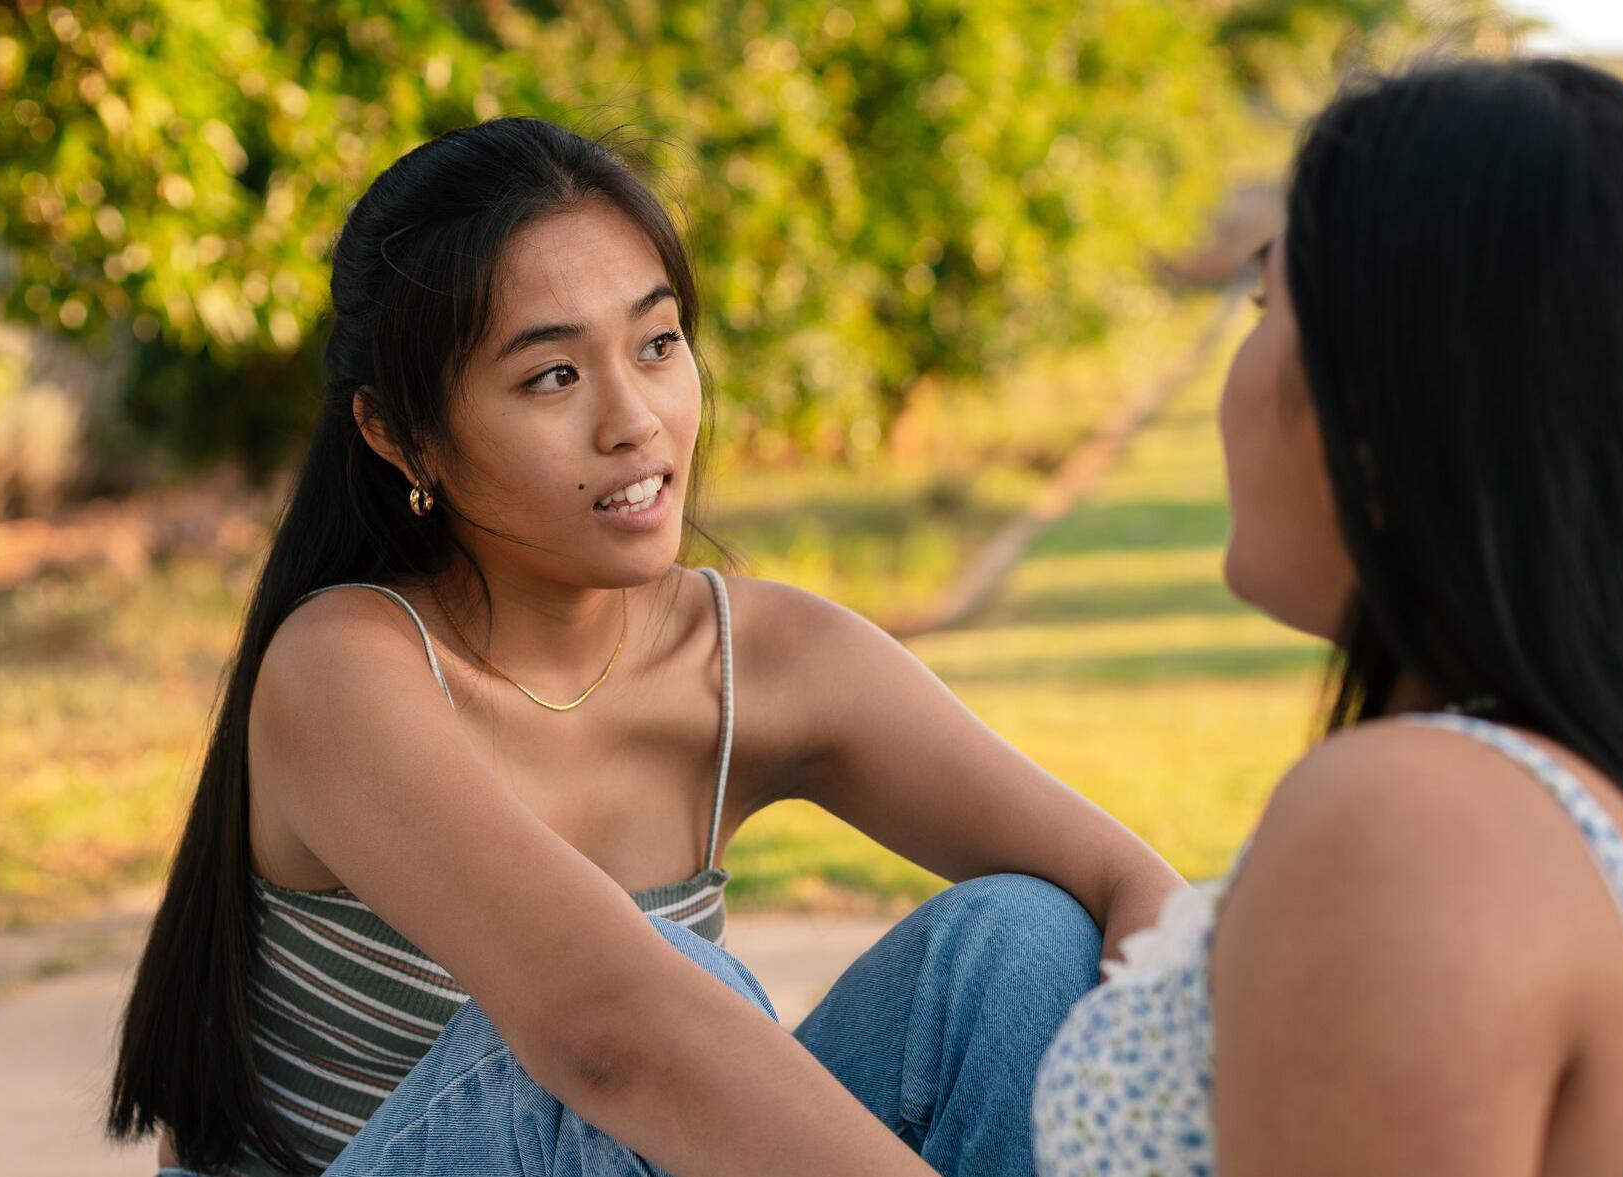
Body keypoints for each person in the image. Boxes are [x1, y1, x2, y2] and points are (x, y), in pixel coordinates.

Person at [103, 117, 1187, 1177]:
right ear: (400, 434)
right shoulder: (343, 667)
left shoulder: (754, 660)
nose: (637, 420)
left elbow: (1132, 888)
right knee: (648, 1004)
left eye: (658, 344)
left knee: (1026, 936)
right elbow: (610, 1038)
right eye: (552, 377)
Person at [1032, 60, 1623, 1176]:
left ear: (1388, 413)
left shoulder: (1417, 828)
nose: (1242, 366)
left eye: (1270, 305)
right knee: (1002, 940)